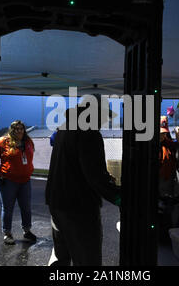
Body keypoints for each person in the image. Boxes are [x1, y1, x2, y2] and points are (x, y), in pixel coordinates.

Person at [46, 95, 121, 266]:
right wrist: (118, 196)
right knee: (88, 260)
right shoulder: (89, 133)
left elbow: (72, 165)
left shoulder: (65, 128)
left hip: (57, 203)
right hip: (78, 208)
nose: (104, 121)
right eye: (103, 115)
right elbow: (94, 176)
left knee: (62, 258)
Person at [0, 120, 37, 245]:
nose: (19, 131)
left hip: (25, 181)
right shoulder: (3, 142)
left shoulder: (28, 141)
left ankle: (27, 231)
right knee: (8, 208)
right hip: (9, 181)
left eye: (21, 128)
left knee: (26, 207)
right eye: (16, 129)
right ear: (11, 130)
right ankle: (7, 233)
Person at [159, 117, 179, 198]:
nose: (162, 135)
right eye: (160, 133)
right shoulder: (147, 146)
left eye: (163, 133)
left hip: (168, 187)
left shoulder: (171, 145)